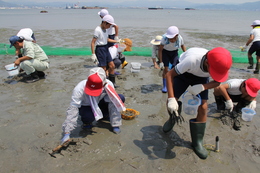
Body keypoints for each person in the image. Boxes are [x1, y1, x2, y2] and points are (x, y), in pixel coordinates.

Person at [163, 47, 232, 159]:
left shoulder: (221, 64)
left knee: (203, 107)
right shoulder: (191, 60)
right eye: (213, 71)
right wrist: (171, 98)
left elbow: (218, 81)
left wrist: (203, 87)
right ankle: (172, 119)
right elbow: (169, 75)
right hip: (183, 74)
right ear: (207, 62)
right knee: (172, 100)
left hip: (201, 79)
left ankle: (197, 142)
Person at [61, 67, 126, 145]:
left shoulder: (108, 85)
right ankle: (87, 122)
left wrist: (116, 124)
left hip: (100, 103)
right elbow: (73, 109)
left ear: (103, 83)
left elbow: (114, 103)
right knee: (88, 117)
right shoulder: (79, 89)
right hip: (87, 106)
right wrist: (67, 132)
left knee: (119, 98)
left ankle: (105, 116)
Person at [90, 14, 120, 87]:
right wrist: (93, 54)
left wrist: (117, 41)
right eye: (109, 25)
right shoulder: (98, 30)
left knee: (112, 65)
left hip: (106, 48)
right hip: (100, 49)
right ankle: (103, 84)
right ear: (104, 22)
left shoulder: (105, 30)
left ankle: (112, 83)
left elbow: (106, 39)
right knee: (103, 68)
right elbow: (93, 42)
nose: (109, 27)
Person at [158, 26, 187, 93]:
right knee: (166, 69)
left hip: (174, 53)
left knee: (175, 68)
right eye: (169, 39)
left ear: (176, 36)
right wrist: (161, 61)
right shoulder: (164, 39)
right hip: (165, 53)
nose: (171, 40)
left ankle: (173, 83)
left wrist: (186, 55)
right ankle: (165, 86)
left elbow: (183, 46)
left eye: (172, 39)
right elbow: (160, 50)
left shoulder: (180, 39)